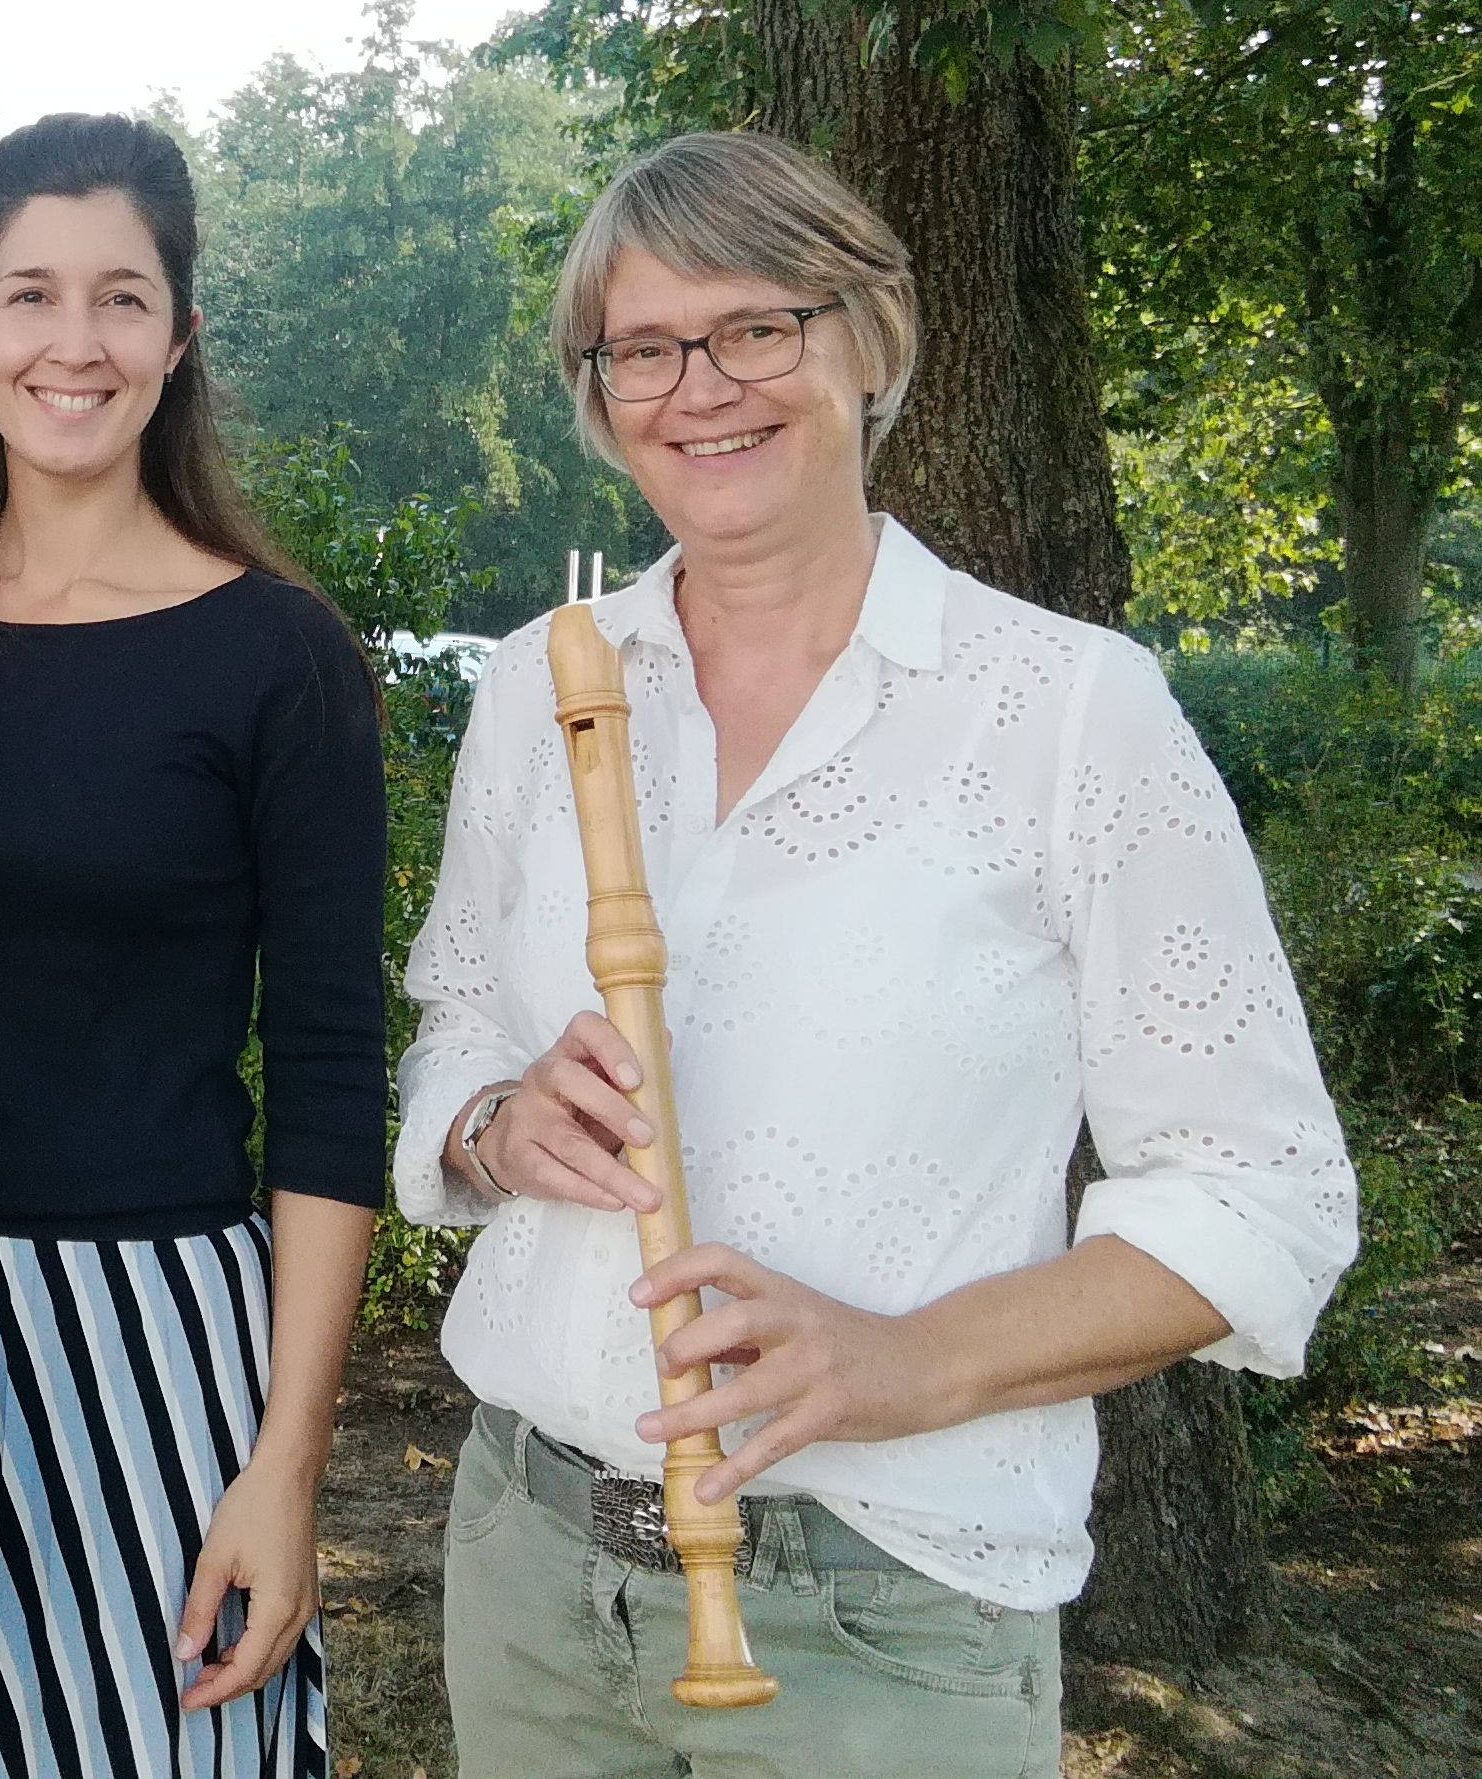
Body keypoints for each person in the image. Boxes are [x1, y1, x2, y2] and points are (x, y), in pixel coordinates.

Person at [392, 130, 1358, 1777]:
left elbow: (1259, 1194)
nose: (701, 386)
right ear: (600, 389)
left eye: (756, 325)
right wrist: (491, 1125)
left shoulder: (1065, 710)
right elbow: (454, 1028)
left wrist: (900, 1362)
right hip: (532, 1564)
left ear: (869, 338)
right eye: (643, 346)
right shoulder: (538, 685)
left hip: (886, 1617)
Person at [0, 113, 388, 1779]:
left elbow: (330, 1078)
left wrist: (285, 1466)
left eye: (123, 298)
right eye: (29, 294)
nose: (74, 341)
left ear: (178, 342)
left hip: (145, 1347)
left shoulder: (279, 657)